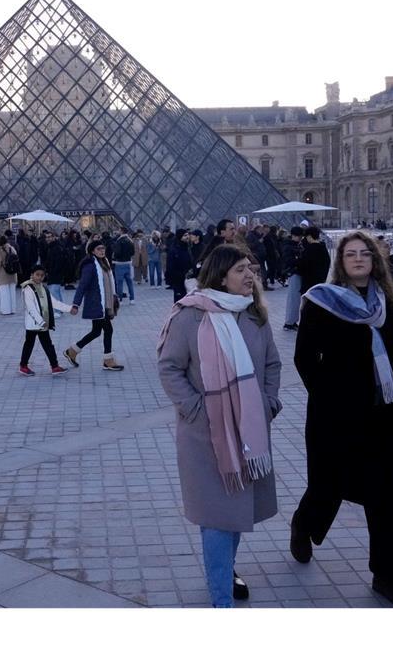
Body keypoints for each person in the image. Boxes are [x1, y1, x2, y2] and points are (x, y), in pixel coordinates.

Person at [289, 231, 393, 607]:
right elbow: (305, 359)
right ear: (339, 262)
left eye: (365, 254)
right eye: (350, 254)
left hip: (379, 414)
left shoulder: (386, 303)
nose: (358, 259)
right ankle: (303, 524)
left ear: (375, 261)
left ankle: (387, 574)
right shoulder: (321, 302)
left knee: (383, 497)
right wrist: (330, 398)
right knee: (328, 486)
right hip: (334, 416)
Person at [157, 244, 282, 607]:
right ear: (221, 275)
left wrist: (269, 401)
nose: (250, 276)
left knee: (237, 510)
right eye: (241, 269)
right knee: (216, 516)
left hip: (249, 430)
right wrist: (197, 409)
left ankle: (225, 571)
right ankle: (221, 601)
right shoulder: (190, 316)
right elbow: (169, 368)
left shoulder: (254, 315)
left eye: (251, 269)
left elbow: (272, 364)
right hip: (205, 436)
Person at [65, 240, 124, 371]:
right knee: (108, 330)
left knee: (96, 331)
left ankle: (72, 351)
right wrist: (76, 304)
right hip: (97, 304)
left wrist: (115, 297)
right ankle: (108, 360)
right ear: (92, 251)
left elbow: (110, 282)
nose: (102, 251)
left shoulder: (104, 263)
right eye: (99, 249)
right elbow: (82, 286)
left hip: (105, 304)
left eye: (103, 248)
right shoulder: (90, 265)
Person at [19, 265, 73, 377]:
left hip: (43, 323)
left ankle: (54, 366)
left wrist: (69, 309)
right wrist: (41, 321)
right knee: (29, 344)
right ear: (32, 275)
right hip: (34, 324)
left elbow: (54, 302)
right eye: (37, 275)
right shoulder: (28, 288)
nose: (39, 277)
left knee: (47, 345)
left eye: (42, 275)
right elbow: (30, 308)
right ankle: (24, 366)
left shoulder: (43, 288)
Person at [281, 226, 305, 331]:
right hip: (294, 273)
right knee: (293, 299)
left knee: (295, 299)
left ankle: (293, 321)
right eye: (300, 237)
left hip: (296, 273)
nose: (300, 239)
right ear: (295, 236)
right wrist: (299, 260)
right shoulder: (289, 246)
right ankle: (289, 323)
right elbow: (289, 261)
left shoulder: (294, 244)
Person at [297, 226, 331, 293]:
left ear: (309, 236)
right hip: (320, 282)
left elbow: (301, 266)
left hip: (308, 284)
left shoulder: (308, 250)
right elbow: (327, 262)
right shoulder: (323, 248)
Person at [166, 230, 195, 302]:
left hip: (188, 279)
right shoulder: (174, 250)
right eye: (185, 235)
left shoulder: (188, 248)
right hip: (178, 280)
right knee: (180, 301)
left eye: (188, 235)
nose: (187, 237)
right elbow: (170, 267)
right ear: (180, 237)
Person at [0, 235, 19, 315]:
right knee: (12, 293)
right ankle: (13, 309)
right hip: (12, 274)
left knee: (4, 294)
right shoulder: (12, 248)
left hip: (3, 274)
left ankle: (6, 310)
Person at [112, 228, 136, 303]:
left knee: (119, 282)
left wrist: (114, 256)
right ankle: (132, 299)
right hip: (128, 263)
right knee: (129, 282)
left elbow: (117, 252)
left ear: (121, 231)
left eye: (119, 230)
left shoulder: (119, 241)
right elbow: (133, 252)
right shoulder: (130, 240)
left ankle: (120, 299)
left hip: (119, 264)